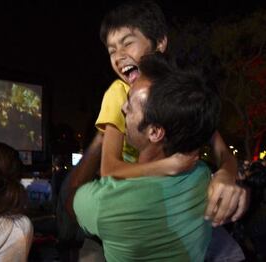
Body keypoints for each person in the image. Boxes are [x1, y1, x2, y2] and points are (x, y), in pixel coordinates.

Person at [69, 0, 246, 229]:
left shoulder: (179, 91)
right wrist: (166, 167)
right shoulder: (118, 94)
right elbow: (109, 169)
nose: (118, 56)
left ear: (160, 42)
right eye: (112, 50)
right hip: (134, 202)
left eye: (127, 44)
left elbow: (222, 150)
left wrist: (226, 175)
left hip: (175, 203)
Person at [72, 53, 220, 261]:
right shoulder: (203, 178)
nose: (122, 108)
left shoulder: (107, 202)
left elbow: (74, 199)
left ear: (155, 132)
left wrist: (107, 131)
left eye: (130, 105)